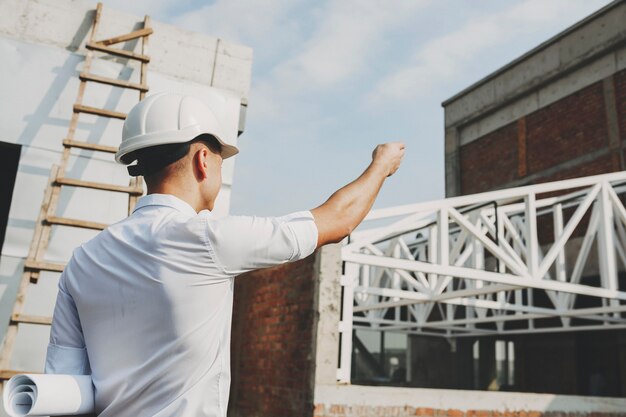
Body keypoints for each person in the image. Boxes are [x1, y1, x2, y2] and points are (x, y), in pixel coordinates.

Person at [44, 92, 404, 417]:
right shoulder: (207, 240)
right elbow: (337, 220)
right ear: (203, 160)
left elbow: (62, 384)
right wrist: (381, 165)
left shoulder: (83, 260)